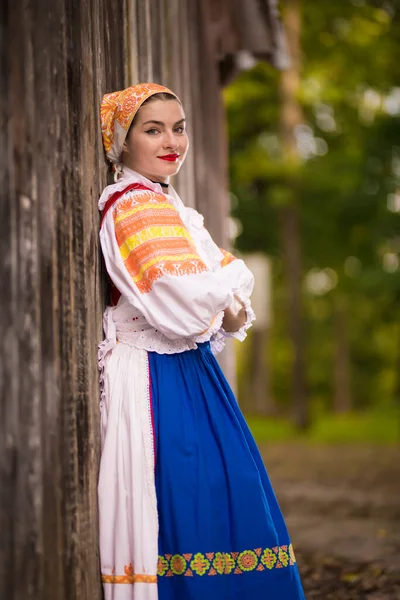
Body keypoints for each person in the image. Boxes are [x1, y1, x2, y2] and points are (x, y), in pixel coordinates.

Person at [98, 82, 305, 600]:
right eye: (153, 130)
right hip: (153, 377)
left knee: (229, 498)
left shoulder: (170, 207)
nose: (172, 140)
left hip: (189, 371)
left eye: (179, 127)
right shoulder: (132, 205)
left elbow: (228, 282)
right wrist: (220, 299)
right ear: (123, 141)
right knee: (186, 503)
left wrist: (220, 298)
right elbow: (184, 301)